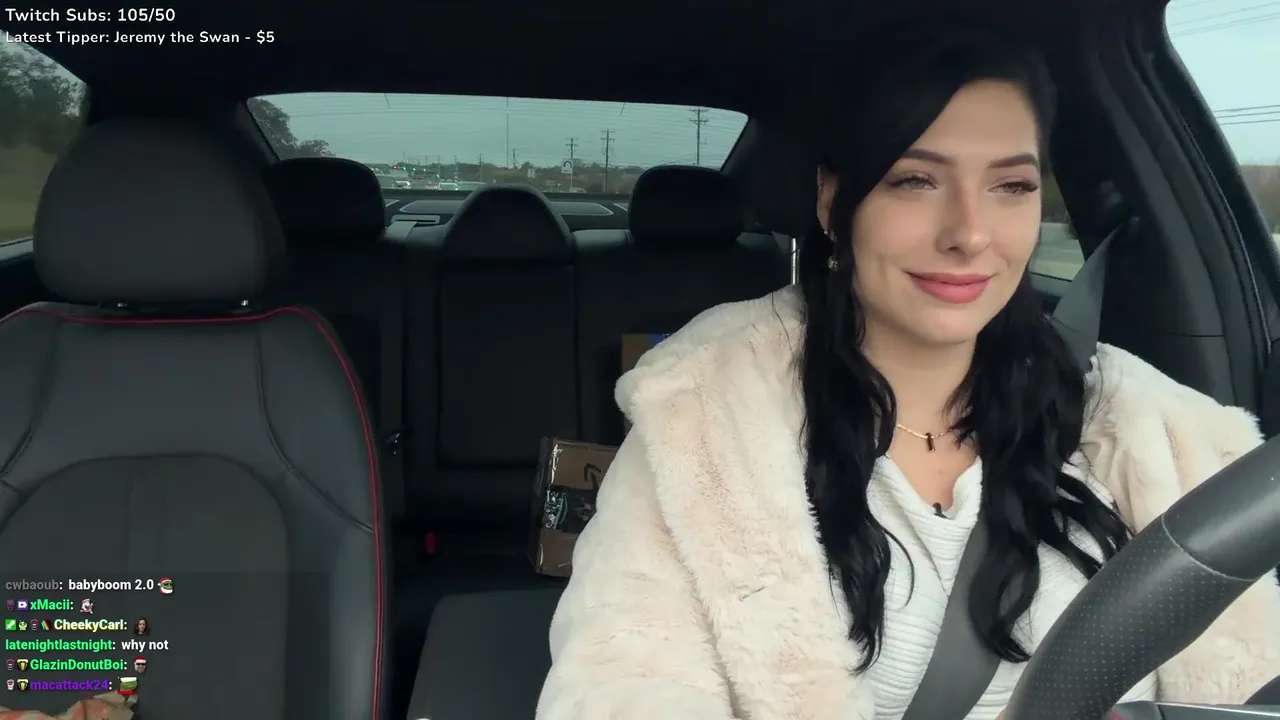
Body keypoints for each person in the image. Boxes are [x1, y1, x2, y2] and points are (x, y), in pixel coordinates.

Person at [536, 33, 1280, 720]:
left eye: (1011, 186)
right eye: (916, 180)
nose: (969, 233)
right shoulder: (702, 421)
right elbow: (622, 684)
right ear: (834, 200)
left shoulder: (1141, 422)